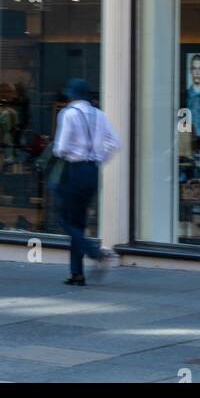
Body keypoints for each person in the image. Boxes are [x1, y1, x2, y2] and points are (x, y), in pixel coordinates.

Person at [53, 78, 120, 286]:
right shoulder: (99, 115)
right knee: (79, 222)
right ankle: (77, 273)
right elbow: (115, 142)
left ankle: (94, 252)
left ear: (72, 95)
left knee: (65, 219)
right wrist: (100, 158)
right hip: (92, 171)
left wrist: (70, 153)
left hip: (73, 170)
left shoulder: (69, 114)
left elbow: (61, 148)